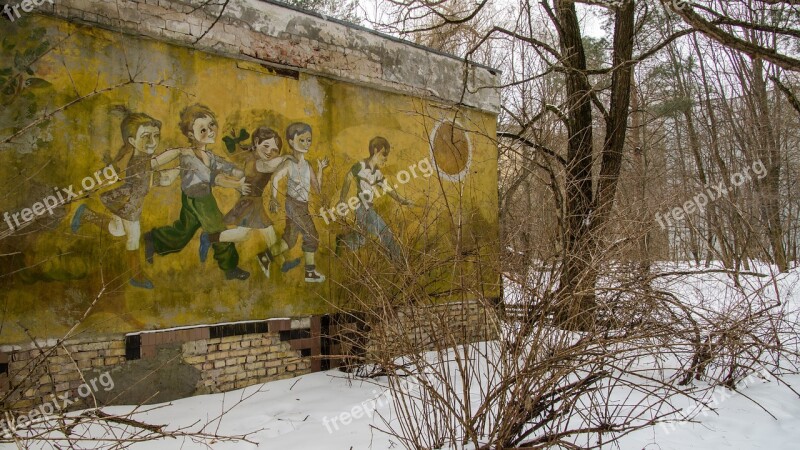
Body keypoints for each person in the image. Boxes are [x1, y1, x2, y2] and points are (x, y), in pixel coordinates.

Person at [71, 106, 181, 289]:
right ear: (132, 140)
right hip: (128, 203)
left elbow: (161, 179)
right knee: (133, 236)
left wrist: (180, 168)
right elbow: (159, 165)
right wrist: (180, 153)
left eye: (155, 136)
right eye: (146, 136)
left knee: (116, 230)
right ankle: (136, 276)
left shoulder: (144, 161)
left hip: (128, 202)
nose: (152, 141)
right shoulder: (140, 161)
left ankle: (86, 214)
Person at [143, 104, 251, 280]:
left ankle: (154, 239)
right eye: (203, 129)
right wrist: (237, 185)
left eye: (211, 125)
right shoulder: (189, 157)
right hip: (201, 200)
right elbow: (212, 177)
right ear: (192, 135)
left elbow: (227, 167)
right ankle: (230, 267)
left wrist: (244, 173)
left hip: (191, 199)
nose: (210, 131)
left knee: (183, 232)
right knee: (219, 230)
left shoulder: (209, 156)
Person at [199, 127, 295, 279]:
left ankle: (281, 263)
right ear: (256, 142)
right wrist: (288, 157)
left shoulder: (260, 159)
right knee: (246, 234)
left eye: (274, 149)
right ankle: (208, 238)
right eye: (266, 146)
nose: (270, 151)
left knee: (263, 233)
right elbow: (270, 165)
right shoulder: (257, 162)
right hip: (250, 203)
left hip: (253, 202)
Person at [335, 136, 412, 263]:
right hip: (361, 208)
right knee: (385, 232)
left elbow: (387, 188)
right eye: (384, 156)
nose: (385, 160)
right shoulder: (360, 166)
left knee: (361, 239)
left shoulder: (377, 173)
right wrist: (342, 198)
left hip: (368, 207)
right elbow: (348, 177)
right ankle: (400, 263)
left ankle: (342, 240)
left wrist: (402, 200)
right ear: (376, 151)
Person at [269, 122, 328, 283]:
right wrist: (273, 198)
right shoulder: (289, 164)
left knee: (290, 240)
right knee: (312, 236)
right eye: (302, 140)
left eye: (308, 140)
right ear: (291, 141)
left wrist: (321, 169)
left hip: (303, 205)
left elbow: (317, 188)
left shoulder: (308, 166)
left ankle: (265, 257)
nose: (306, 144)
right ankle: (310, 272)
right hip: (293, 204)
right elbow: (275, 178)